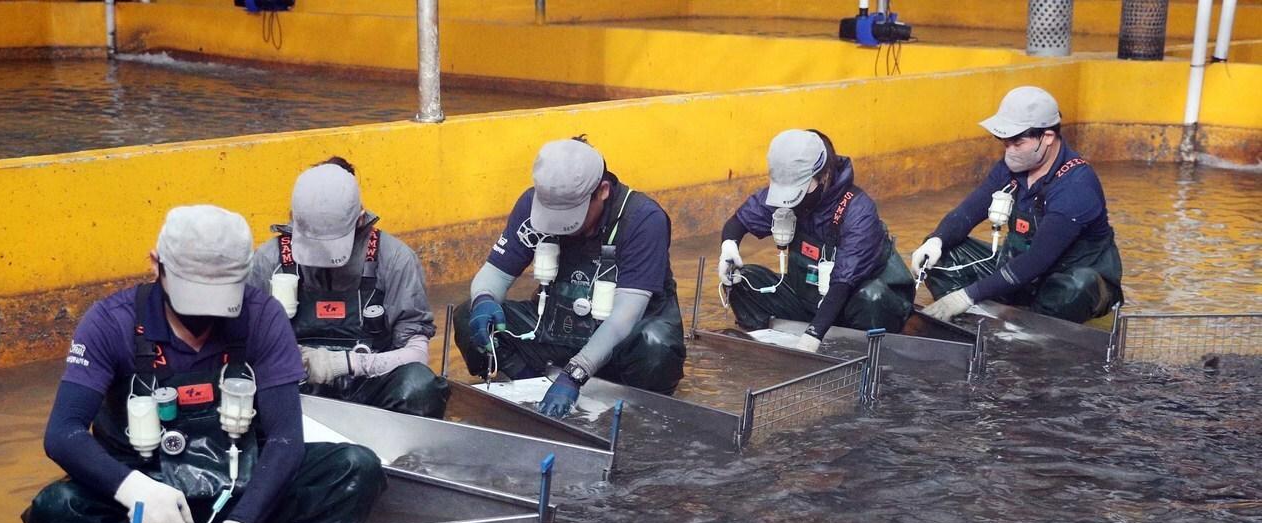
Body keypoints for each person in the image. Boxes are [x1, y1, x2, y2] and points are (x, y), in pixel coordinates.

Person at [22, 205, 386, 523]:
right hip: (150, 497)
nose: (205, 319)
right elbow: (63, 433)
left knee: (354, 467)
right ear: (156, 265)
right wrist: (135, 490)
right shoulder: (110, 323)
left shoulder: (264, 317)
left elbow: (285, 439)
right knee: (58, 510)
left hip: (240, 482)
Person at [454, 136, 687, 417]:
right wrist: (484, 300)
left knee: (656, 346)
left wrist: (575, 373)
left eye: (571, 213)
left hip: (622, 340)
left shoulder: (643, 220)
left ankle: (639, 412)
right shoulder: (531, 204)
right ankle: (531, 388)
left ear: (602, 191)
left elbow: (626, 315)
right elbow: (493, 275)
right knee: (469, 316)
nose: (560, 225)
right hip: (560, 329)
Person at [250, 158, 450, 418]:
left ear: (361, 219)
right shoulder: (269, 261)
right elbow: (242, 346)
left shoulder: (395, 260)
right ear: (293, 220)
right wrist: (288, 357)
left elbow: (416, 355)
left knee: (420, 388)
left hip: (370, 389)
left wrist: (343, 364)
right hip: (296, 395)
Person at [913, 86, 1123, 323]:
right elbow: (968, 212)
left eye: (1017, 143)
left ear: (1047, 137)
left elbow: (1037, 260)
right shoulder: (1011, 168)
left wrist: (966, 296)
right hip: (1018, 271)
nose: (1009, 152)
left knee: (1074, 289)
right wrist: (936, 240)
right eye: (1004, 143)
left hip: (1064, 275)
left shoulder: (1075, 187)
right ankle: (973, 323)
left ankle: (1035, 335)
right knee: (938, 255)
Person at [717, 129, 914, 352]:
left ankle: (863, 356)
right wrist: (729, 246)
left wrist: (813, 336)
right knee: (742, 280)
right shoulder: (784, 196)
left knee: (871, 298)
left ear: (824, 176)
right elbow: (739, 222)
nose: (792, 199)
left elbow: (843, 281)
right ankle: (763, 345)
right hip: (809, 300)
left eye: (800, 189)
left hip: (858, 305)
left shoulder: (858, 211)